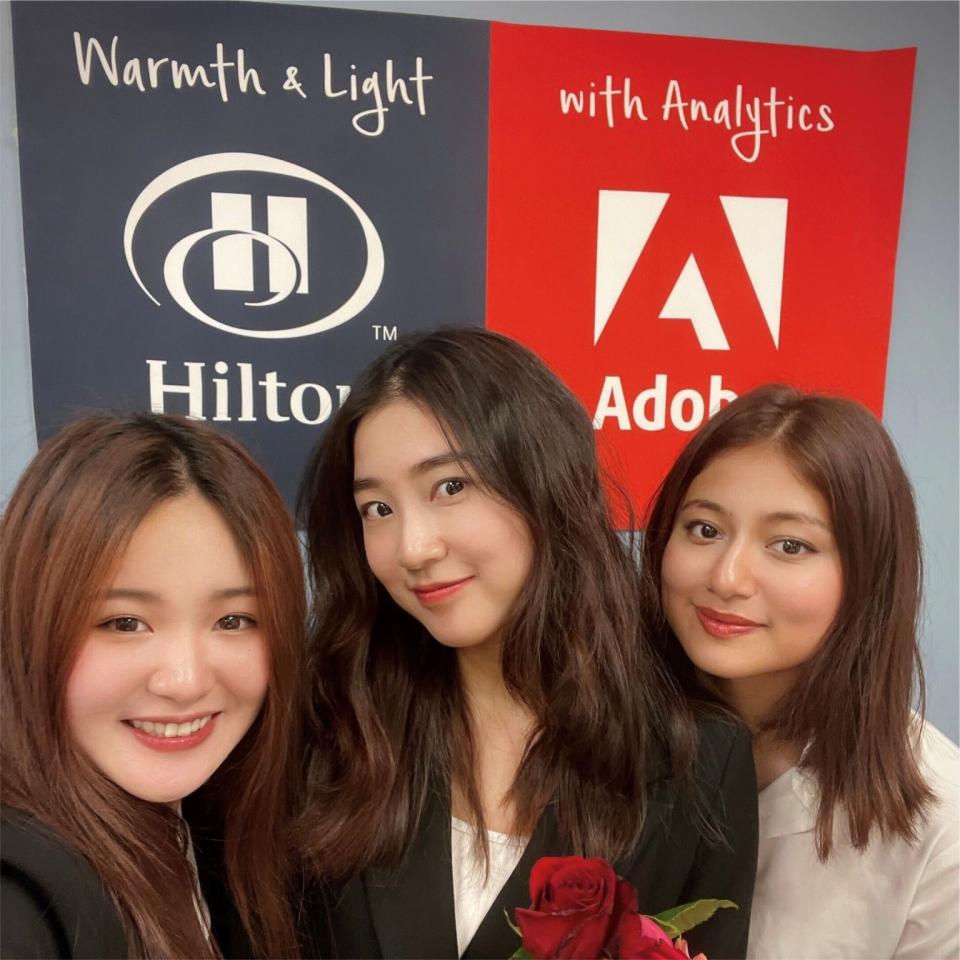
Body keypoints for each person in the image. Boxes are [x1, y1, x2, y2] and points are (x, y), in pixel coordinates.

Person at [296, 327, 758, 960]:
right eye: (377, 508)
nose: (411, 548)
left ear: (545, 482)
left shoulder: (697, 758)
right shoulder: (328, 724)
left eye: (450, 487)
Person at [640, 384, 959, 959]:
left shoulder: (940, 819)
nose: (728, 578)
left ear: (867, 575)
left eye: (789, 545)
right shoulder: (590, 729)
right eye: (705, 529)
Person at [1, 413, 306, 959]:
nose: (185, 682)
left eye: (234, 620)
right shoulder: (21, 900)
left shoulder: (216, 828)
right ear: (31, 625)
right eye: (124, 623)